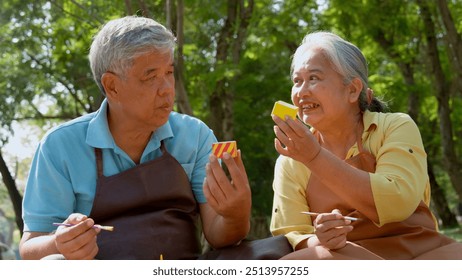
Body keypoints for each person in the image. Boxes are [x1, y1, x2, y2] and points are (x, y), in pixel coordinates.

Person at [19, 15, 251, 260]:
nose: (167, 89)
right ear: (112, 86)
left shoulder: (196, 136)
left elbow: (218, 236)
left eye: (169, 72)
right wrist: (60, 243)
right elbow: (31, 247)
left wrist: (236, 214)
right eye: (150, 77)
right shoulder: (60, 146)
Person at [269, 31, 462, 259]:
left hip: (420, 252)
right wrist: (319, 238)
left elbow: (397, 200)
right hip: (349, 257)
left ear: (352, 90)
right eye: (297, 81)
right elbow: (292, 232)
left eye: (314, 78)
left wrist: (314, 157)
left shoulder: (395, 127)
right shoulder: (291, 159)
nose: (301, 92)